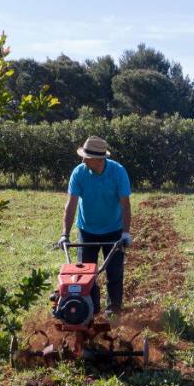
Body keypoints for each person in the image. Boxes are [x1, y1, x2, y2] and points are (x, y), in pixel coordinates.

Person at [60, 136, 132, 320]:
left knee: (114, 275)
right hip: (87, 230)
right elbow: (71, 204)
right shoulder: (79, 173)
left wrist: (125, 233)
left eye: (87, 157)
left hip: (114, 231)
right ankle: (90, 313)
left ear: (100, 159)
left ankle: (113, 315)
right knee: (85, 276)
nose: (83, 159)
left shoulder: (118, 172)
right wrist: (65, 234)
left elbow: (125, 204)